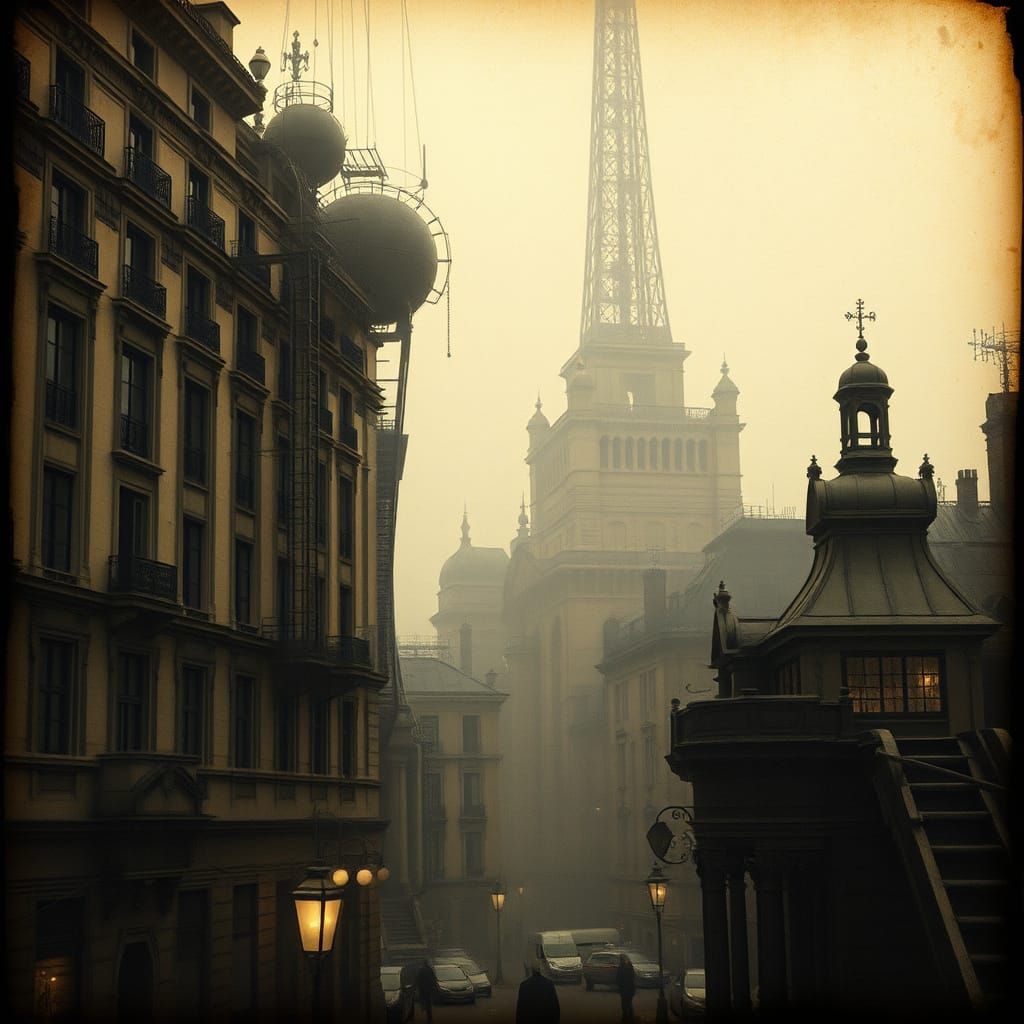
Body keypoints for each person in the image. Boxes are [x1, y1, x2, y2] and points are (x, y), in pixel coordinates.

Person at [616, 953, 636, 1024]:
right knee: (628, 1003)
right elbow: (633, 977)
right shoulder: (630, 966)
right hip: (629, 988)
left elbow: (618, 978)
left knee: (625, 1003)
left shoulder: (622, 967)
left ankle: (626, 1017)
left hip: (625, 988)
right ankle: (630, 1017)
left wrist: (619, 985)